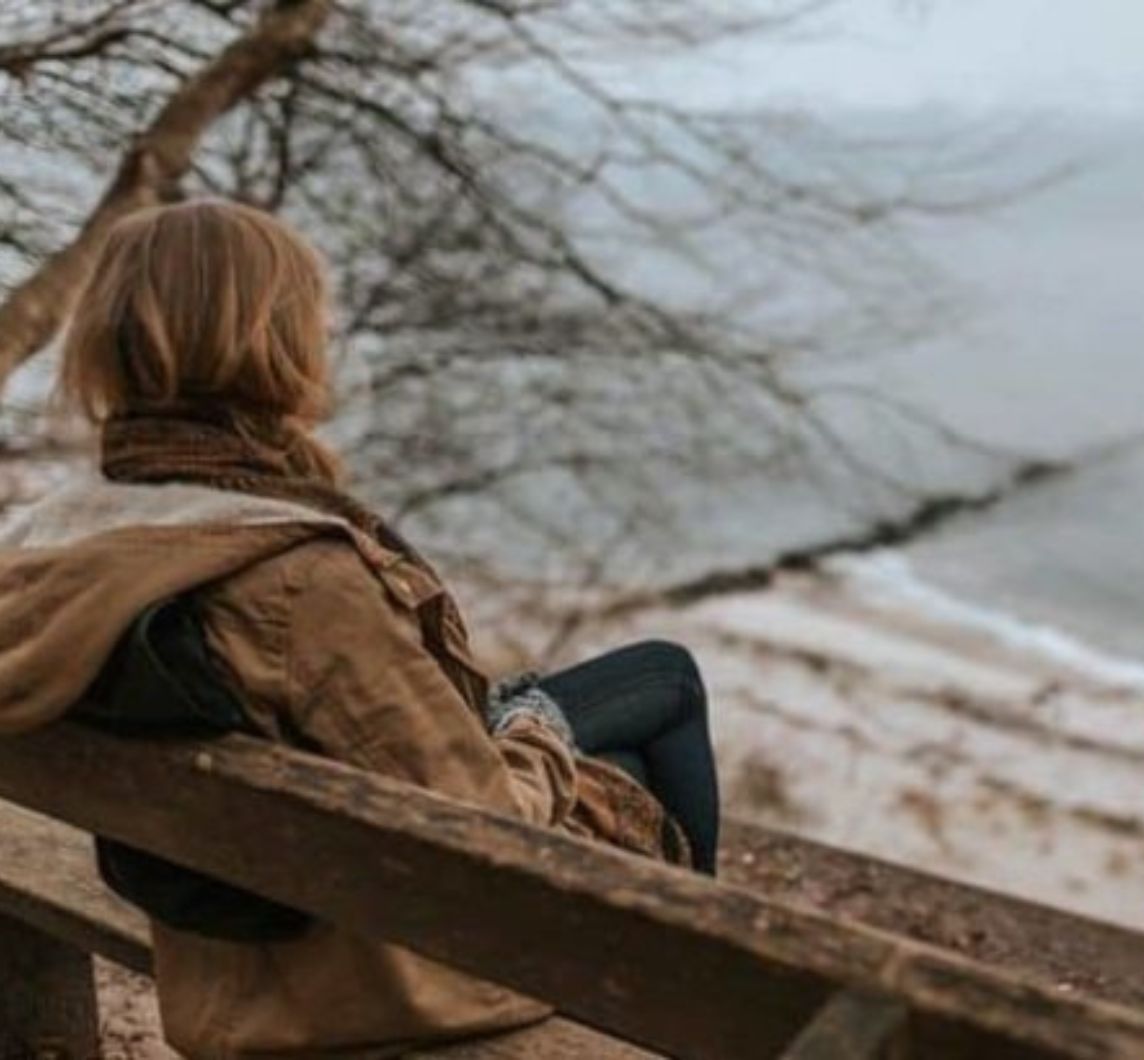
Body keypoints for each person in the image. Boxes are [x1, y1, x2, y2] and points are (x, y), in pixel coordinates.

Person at [0, 199, 718, 1057]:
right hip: (381, 982)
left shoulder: (49, 541)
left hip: (224, 972)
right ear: (274, 339)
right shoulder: (298, 577)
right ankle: (706, 1013)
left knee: (643, 692)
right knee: (659, 697)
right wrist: (533, 729)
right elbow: (484, 829)